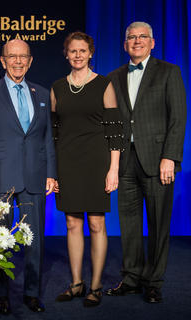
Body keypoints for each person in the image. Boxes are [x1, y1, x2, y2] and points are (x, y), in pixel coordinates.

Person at [0, 39, 57, 315]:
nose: (18, 61)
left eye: (23, 57)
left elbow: (47, 139)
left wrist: (51, 174)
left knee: (35, 240)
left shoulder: (41, 93)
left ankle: (32, 293)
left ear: (30, 61)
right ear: (3, 60)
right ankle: (2, 294)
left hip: (35, 175)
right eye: (12, 57)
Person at [106, 21, 186, 303]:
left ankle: (154, 281)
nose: (137, 41)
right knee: (128, 225)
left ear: (153, 43)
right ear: (124, 44)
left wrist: (170, 157)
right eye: (131, 37)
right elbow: (113, 122)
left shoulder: (169, 72)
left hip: (157, 162)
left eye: (143, 37)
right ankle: (131, 278)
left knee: (158, 225)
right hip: (125, 162)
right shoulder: (113, 76)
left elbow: (177, 118)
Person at [50, 32, 123, 307]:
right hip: (67, 162)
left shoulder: (104, 84)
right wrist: (53, 170)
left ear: (90, 53)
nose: (78, 55)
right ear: (66, 54)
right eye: (73, 51)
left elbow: (116, 131)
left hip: (96, 162)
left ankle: (96, 286)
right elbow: (54, 133)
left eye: (83, 51)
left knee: (96, 222)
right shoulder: (57, 87)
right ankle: (77, 283)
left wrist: (113, 169)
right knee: (72, 223)